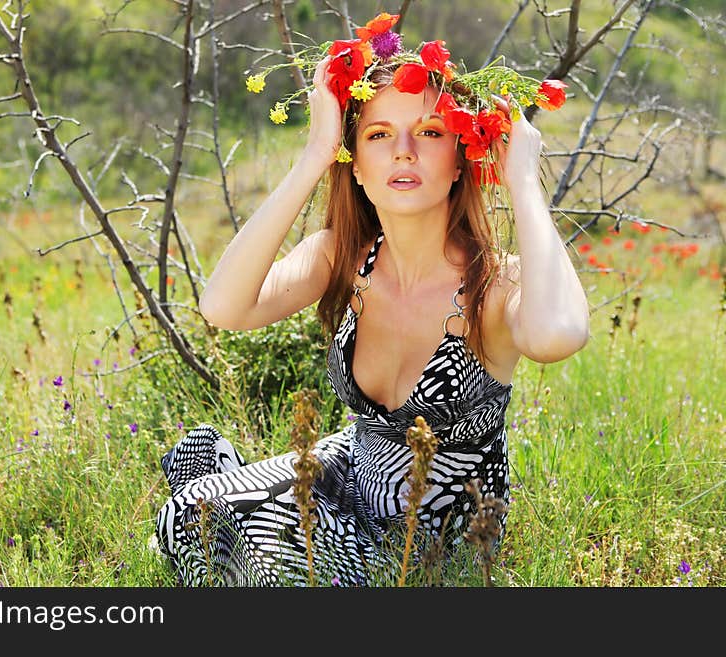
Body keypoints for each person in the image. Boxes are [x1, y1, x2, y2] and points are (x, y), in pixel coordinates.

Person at [154, 19, 589, 586]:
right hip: (347, 474)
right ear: (355, 162)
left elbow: (558, 335)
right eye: (379, 135)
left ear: (461, 158)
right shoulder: (343, 255)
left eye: (430, 132)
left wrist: (525, 182)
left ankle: (251, 513)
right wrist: (314, 153)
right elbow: (224, 307)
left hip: (433, 534)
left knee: (272, 569)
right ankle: (241, 499)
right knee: (186, 515)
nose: (404, 153)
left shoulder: (494, 285)